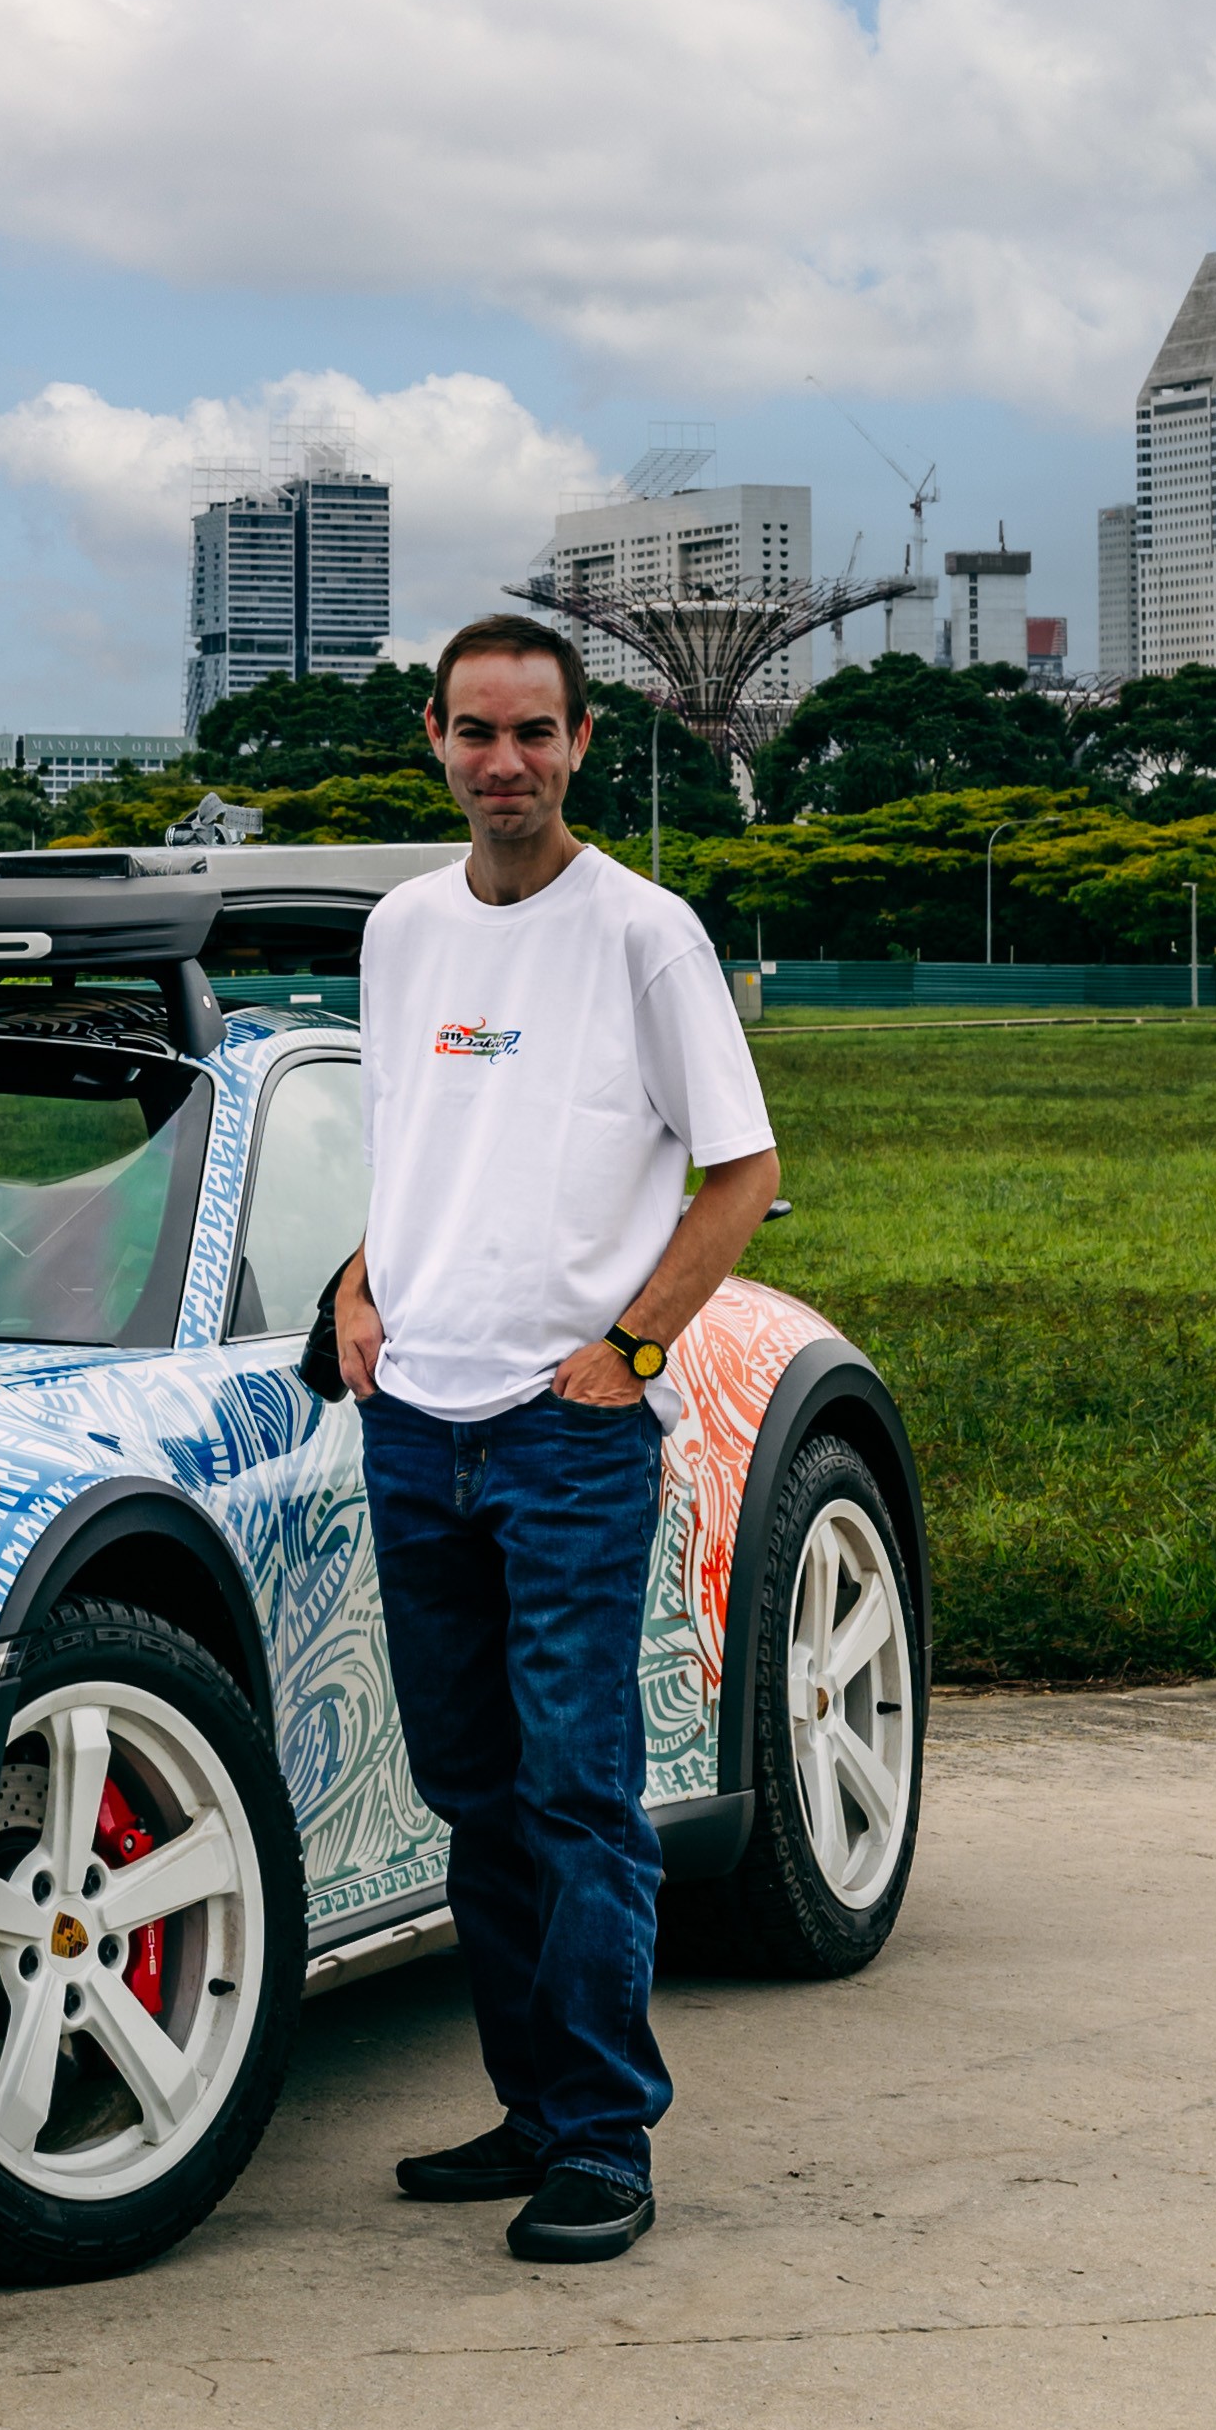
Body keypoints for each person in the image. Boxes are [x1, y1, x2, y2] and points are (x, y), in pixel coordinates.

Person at [320, 612, 783, 2267]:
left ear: (583, 741)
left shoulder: (642, 935)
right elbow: (410, 1145)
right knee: (471, 1786)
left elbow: (737, 1170)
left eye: (533, 732)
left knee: (576, 1790)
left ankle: (602, 2138)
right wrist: (358, 1278)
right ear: (433, 742)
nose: (502, 762)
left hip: (560, 1431)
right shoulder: (397, 931)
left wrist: (632, 1346)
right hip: (413, 1420)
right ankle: (528, 2105)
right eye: (474, 732)